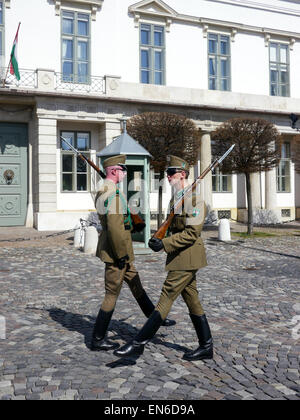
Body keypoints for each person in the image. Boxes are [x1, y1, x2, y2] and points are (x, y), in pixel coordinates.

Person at [114, 155, 213, 361]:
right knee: (192, 300)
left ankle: (138, 344)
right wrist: (158, 238)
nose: (167, 177)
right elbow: (172, 227)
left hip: (187, 258)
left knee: (165, 298)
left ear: (183, 174)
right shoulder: (176, 198)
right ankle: (206, 346)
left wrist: (165, 244)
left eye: (171, 173)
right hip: (179, 257)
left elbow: (191, 233)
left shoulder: (196, 200)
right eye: (167, 173)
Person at [91, 154, 175, 351]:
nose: (124, 173)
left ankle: (155, 318)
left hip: (121, 250)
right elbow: (115, 228)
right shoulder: (111, 193)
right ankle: (97, 338)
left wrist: (132, 224)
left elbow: (120, 223)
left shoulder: (109, 190)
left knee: (135, 282)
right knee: (111, 293)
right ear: (113, 171)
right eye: (122, 169)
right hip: (116, 252)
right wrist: (121, 256)